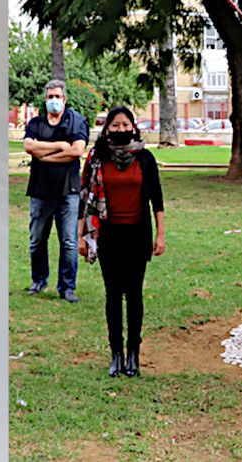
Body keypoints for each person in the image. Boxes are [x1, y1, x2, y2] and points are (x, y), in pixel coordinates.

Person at [77, 106, 166, 378]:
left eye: (124, 124)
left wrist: (160, 234)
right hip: (108, 235)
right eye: (114, 125)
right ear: (107, 129)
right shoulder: (96, 158)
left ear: (133, 127)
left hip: (137, 235)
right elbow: (85, 200)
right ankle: (115, 352)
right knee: (113, 295)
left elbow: (157, 200)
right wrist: (81, 235)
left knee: (135, 294)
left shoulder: (145, 158)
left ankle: (133, 354)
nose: (119, 129)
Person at [22, 79, 89, 302]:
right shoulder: (36, 123)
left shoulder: (76, 122)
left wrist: (45, 155)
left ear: (64, 99)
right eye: (50, 97)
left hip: (68, 191)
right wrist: (60, 146)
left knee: (69, 241)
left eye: (57, 97)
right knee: (37, 239)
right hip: (41, 191)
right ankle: (39, 280)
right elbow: (29, 146)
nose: (53, 101)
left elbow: (77, 150)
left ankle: (67, 287)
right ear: (45, 99)